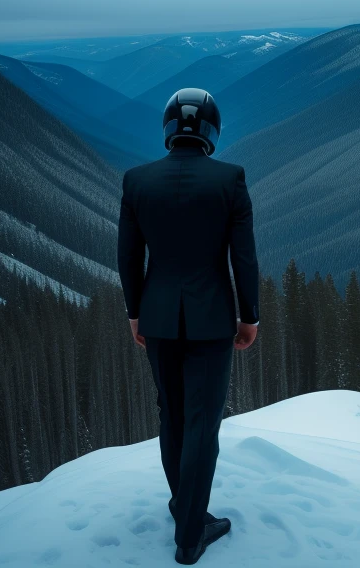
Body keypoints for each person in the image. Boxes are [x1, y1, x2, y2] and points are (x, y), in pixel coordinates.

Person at [116, 87, 260, 565]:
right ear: (212, 130)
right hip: (213, 320)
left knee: (171, 416)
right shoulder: (230, 180)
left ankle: (184, 507)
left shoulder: (137, 181)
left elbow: (129, 258)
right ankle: (191, 535)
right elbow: (243, 258)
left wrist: (136, 311)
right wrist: (249, 316)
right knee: (202, 423)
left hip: (157, 318)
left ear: (167, 128)